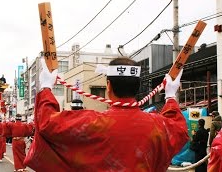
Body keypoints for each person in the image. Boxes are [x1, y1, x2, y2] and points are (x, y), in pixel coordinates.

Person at [24, 57, 189, 171]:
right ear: (137, 87)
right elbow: (179, 130)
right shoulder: (157, 125)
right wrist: (170, 96)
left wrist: (46, 87)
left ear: (108, 86)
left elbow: (47, 123)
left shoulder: (92, 122)